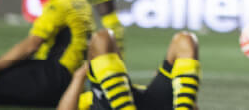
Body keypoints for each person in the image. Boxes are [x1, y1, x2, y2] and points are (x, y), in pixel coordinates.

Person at [57, 29, 201, 110]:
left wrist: (179, 84)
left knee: (186, 39)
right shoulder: (90, 96)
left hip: (145, 100)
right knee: (103, 37)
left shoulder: (114, 82)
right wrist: (80, 76)